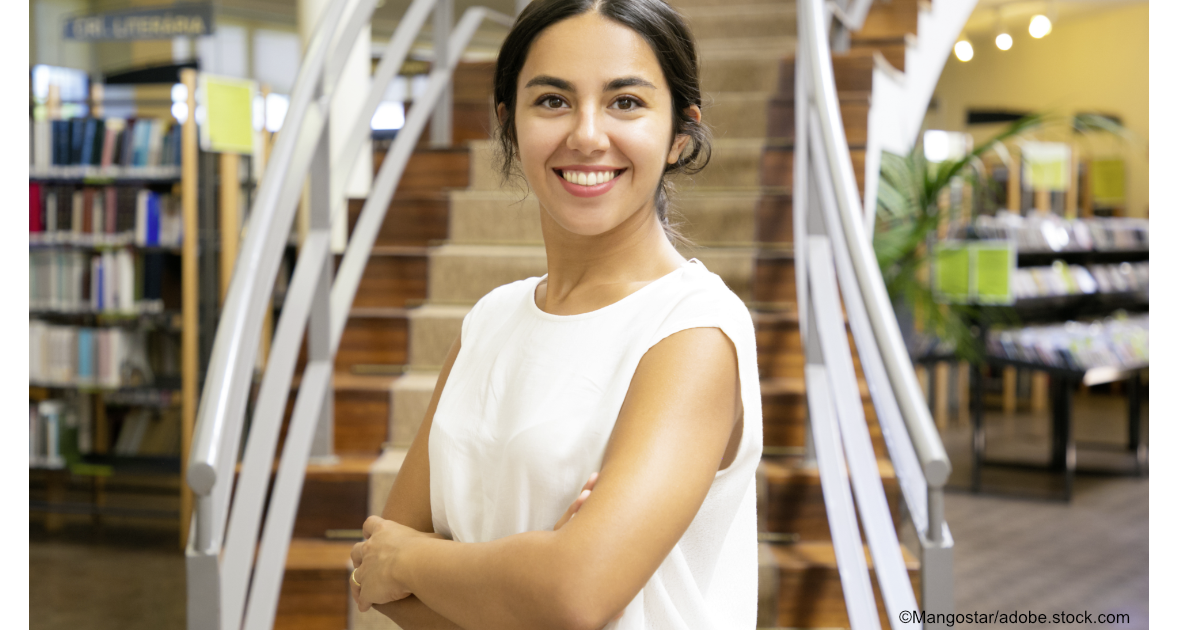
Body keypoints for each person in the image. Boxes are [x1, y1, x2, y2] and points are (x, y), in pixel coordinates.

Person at [350, 0, 762, 627]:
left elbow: (574, 593)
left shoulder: (693, 330)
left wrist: (415, 561)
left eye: (626, 102)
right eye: (552, 100)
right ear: (509, 124)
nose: (587, 135)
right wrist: (531, 577)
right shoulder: (490, 320)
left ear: (679, 132)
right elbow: (377, 576)